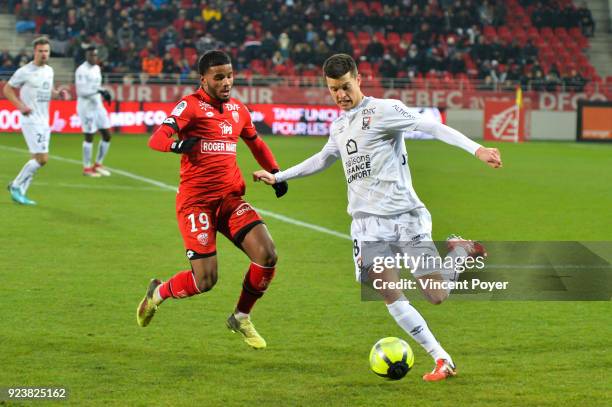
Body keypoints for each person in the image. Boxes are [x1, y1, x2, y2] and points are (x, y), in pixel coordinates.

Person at [253, 54, 502, 380]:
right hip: (367, 225)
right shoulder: (339, 125)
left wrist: (477, 150)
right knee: (386, 290)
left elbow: (430, 126)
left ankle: (460, 250)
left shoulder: (384, 110)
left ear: (359, 79)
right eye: (333, 90)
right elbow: (324, 158)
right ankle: (441, 358)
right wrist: (280, 176)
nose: (340, 95)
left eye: (345, 87)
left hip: (405, 217)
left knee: (436, 295)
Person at [136, 50, 288, 350]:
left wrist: (276, 173)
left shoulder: (238, 111)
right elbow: (157, 139)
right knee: (205, 281)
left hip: (230, 200)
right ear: (203, 79)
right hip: (196, 203)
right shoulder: (190, 106)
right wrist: (178, 144)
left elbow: (255, 143)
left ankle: (241, 317)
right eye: (219, 77)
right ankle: (157, 293)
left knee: (267, 254)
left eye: (230, 75)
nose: (226, 82)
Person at [5, 37, 69, 205]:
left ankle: (21, 193)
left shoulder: (49, 71)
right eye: (40, 51)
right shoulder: (24, 71)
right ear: (34, 52)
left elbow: (48, 91)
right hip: (31, 119)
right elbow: (7, 89)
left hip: (44, 119)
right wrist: (20, 106)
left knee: (36, 159)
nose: (43, 54)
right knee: (42, 159)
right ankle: (16, 185)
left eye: (46, 51)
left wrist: (58, 94)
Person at [75, 45, 113, 177]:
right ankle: (86, 168)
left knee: (107, 135)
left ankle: (98, 164)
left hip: (97, 105)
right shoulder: (81, 70)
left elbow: (96, 86)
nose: (93, 57)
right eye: (91, 55)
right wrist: (100, 91)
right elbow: (81, 91)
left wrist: (104, 92)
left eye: (95, 55)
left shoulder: (97, 68)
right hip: (86, 107)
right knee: (89, 136)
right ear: (86, 56)